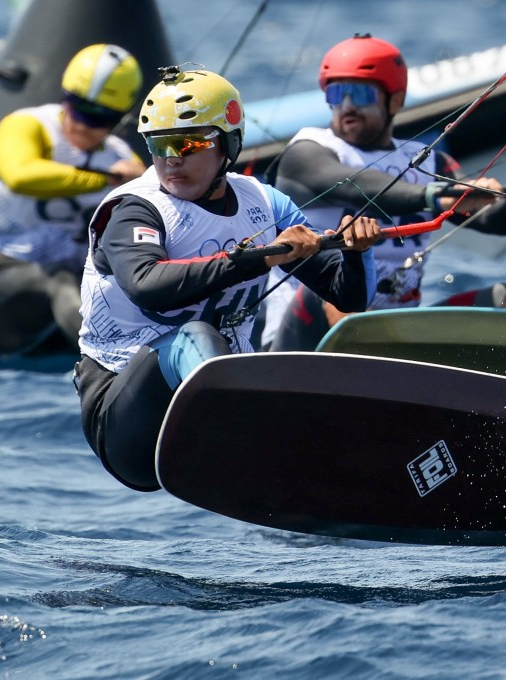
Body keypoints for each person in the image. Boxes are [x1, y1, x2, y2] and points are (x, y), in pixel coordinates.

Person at [74, 66, 381, 492]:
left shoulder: (266, 203)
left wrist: (355, 252)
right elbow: (147, 285)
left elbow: (349, 299)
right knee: (194, 333)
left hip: (214, 409)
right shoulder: (134, 209)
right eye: (158, 145)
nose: (172, 159)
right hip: (124, 421)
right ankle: (268, 458)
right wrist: (256, 259)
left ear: (228, 144)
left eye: (190, 143)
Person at [263, 34, 506, 352]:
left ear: (395, 100)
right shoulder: (307, 152)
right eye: (336, 94)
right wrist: (436, 195)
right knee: (333, 293)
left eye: (359, 95)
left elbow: (491, 222)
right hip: (303, 336)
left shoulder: (428, 161)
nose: (346, 107)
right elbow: (357, 184)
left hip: (395, 334)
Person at [0, 43, 145, 355]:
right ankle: (109, 362)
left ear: (119, 118)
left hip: (70, 296)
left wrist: (146, 183)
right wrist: (103, 179)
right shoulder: (27, 125)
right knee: (60, 279)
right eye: (78, 107)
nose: (82, 124)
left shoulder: (121, 158)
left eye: (99, 118)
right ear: (65, 96)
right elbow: (19, 175)